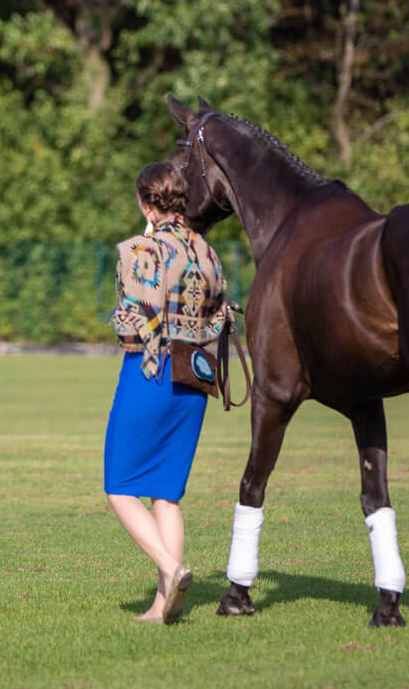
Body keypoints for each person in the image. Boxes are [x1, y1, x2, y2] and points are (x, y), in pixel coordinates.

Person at [106, 162, 229, 623]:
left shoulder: (139, 249)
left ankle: (171, 567)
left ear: (146, 202)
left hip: (149, 373)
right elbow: (221, 316)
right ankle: (162, 606)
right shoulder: (208, 252)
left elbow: (130, 321)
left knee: (119, 486)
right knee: (166, 494)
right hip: (192, 379)